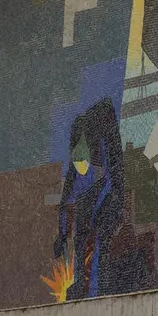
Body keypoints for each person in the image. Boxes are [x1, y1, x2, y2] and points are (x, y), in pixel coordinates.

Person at [53, 98, 128, 299]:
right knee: (83, 232)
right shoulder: (79, 154)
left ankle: (95, 289)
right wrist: (61, 236)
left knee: (98, 238)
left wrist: (97, 214)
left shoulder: (105, 141)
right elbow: (67, 197)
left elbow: (114, 184)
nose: (80, 166)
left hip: (110, 196)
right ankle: (84, 285)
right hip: (99, 192)